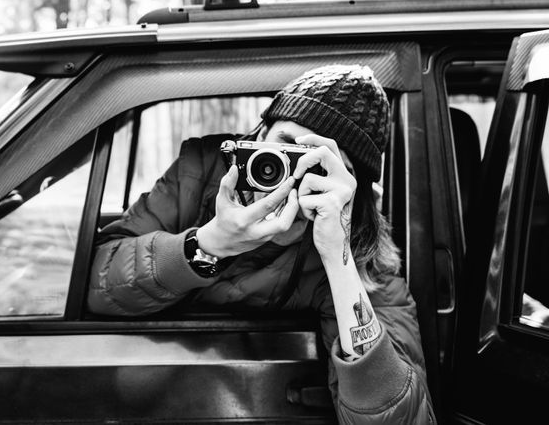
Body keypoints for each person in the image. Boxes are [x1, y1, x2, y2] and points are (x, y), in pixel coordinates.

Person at [88, 65, 435, 423]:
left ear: (350, 189)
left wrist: (339, 258)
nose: (294, 178)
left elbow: (406, 418)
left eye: (319, 166)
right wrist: (209, 243)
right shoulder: (202, 171)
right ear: (260, 134)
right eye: (286, 148)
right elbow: (96, 282)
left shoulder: (356, 247)